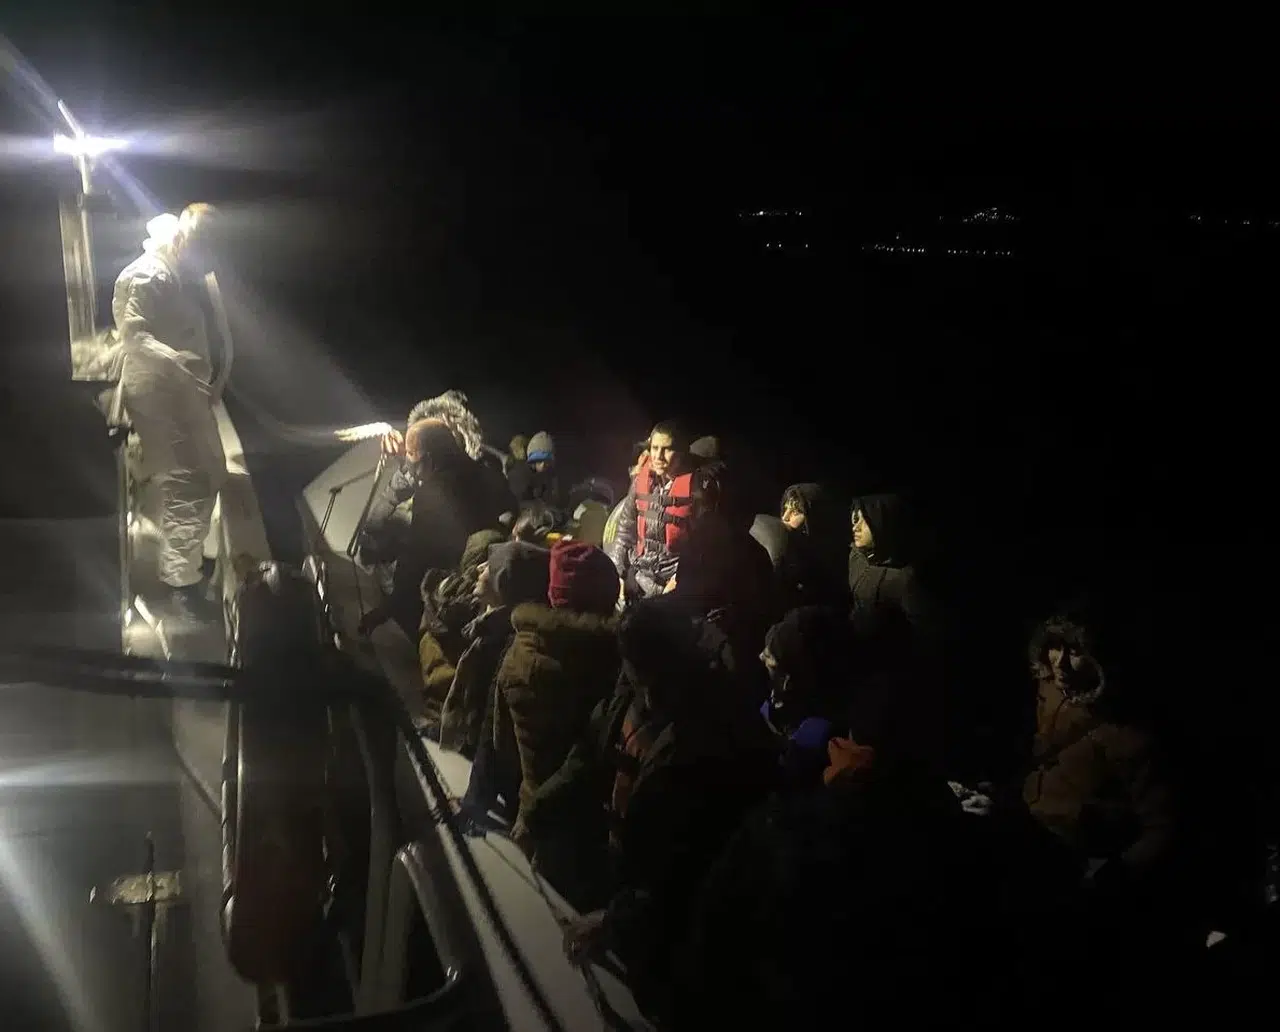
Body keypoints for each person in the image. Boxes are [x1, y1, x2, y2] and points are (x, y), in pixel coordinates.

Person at [113, 204, 226, 621]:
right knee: (188, 483)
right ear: (185, 239)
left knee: (209, 473)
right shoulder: (148, 275)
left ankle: (190, 561)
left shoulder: (172, 274)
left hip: (180, 395)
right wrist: (178, 364)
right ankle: (181, 583)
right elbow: (133, 334)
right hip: (161, 396)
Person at [607, 420, 700, 601]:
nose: (658, 456)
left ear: (681, 453)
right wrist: (617, 572)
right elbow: (625, 530)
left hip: (674, 580)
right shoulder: (641, 482)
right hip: (640, 572)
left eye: (666, 449)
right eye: (655, 448)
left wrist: (679, 578)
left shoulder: (696, 490)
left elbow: (703, 547)